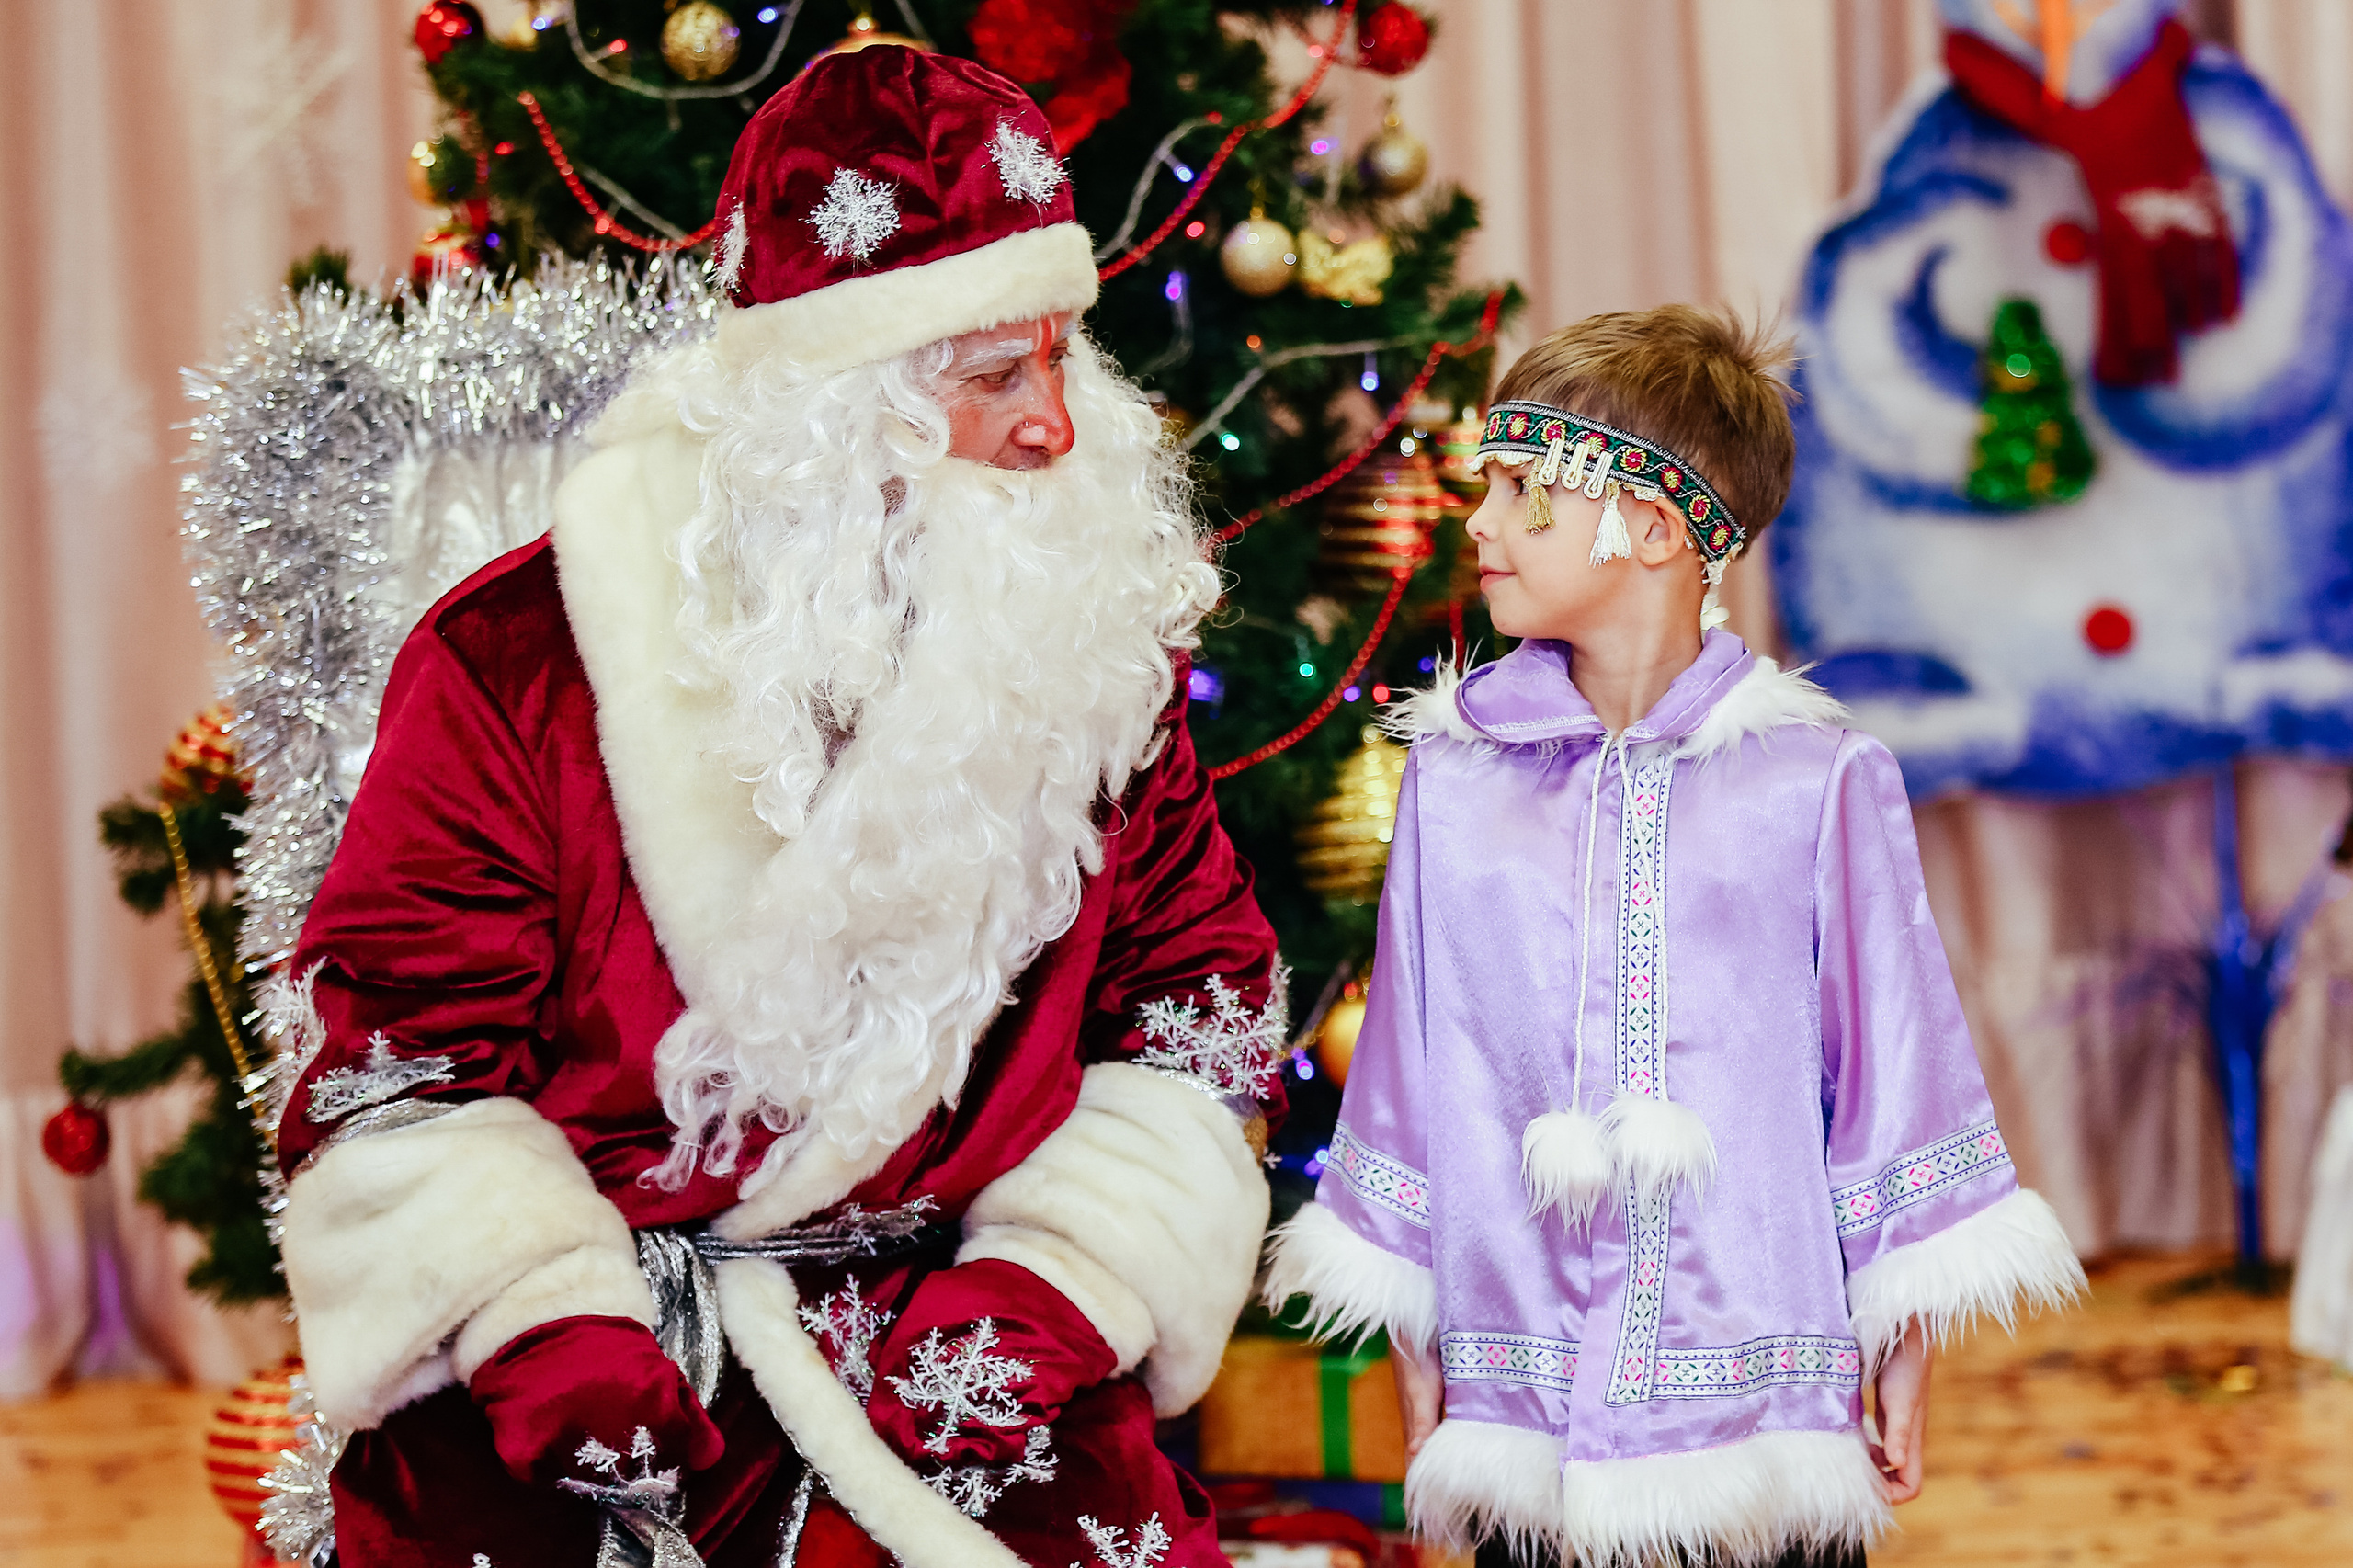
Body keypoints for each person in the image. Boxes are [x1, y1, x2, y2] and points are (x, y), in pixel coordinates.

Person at [266, 48, 1287, 1568]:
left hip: (960, 1324)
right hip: (607, 1318)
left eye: (1060, 357)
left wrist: (1065, 1276)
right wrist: (534, 1312)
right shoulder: (516, 666)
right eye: (996, 375)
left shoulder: (1090, 654)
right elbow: (394, 1043)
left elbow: (1200, 994)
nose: (1055, 427)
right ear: (836, 409)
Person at [1262, 307, 2086, 1568]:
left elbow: (1893, 1073)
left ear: (1653, 525)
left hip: (1761, 1405)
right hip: (1525, 1398)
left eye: (1524, 489)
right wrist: (1416, 1336)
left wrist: (1905, 1339)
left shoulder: (1817, 781)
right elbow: (1410, 1073)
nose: (1479, 522)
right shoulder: (1454, 780)